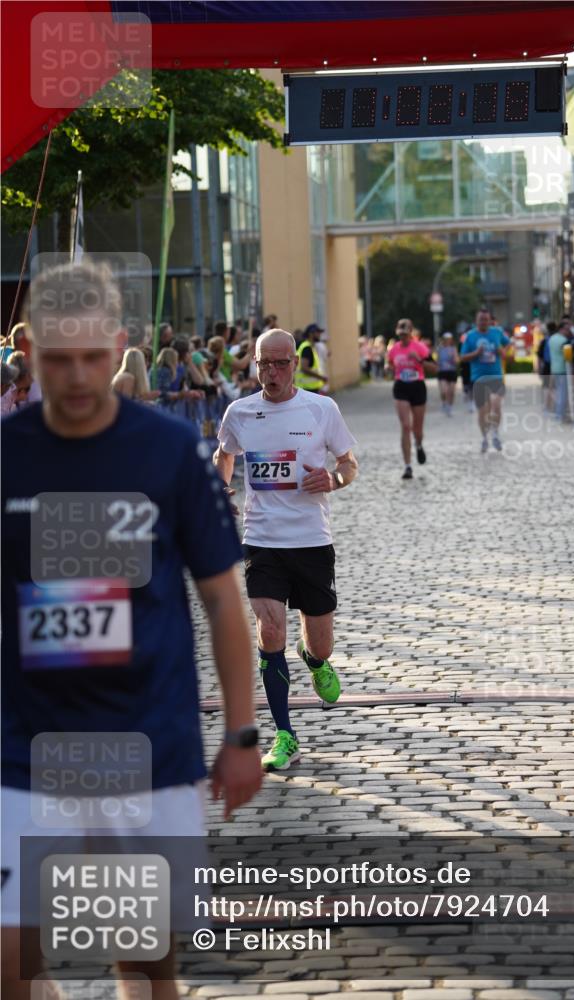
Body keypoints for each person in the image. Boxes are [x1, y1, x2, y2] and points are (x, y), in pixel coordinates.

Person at [1, 261, 262, 999]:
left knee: (139, 956)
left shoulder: (169, 451)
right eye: (58, 359)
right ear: (28, 351)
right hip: (23, 745)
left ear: (119, 347)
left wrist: (240, 736)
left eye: (94, 356)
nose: (79, 376)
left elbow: (220, 602)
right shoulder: (6, 453)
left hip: (139, 743)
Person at [214, 329, 358, 772]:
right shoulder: (240, 412)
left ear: (295, 363)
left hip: (312, 541)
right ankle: (284, 734)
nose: (271, 373)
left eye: (280, 364)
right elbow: (225, 454)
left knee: (321, 642)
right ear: (254, 364)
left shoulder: (321, 409)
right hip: (263, 539)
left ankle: (314, 659)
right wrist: (220, 489)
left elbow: (349, 464)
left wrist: (333, 479)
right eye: (264, 364)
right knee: (270, 630)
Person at [459, 308, 511, 452]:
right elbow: (462, 357)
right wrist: (476, 353)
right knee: (483, 411)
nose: (483, 322)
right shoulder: (470, 336)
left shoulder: (497, 332)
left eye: (486, 319)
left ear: (490, 320)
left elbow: (508, 343)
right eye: (481, 319)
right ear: (476, 321)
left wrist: (503, 351)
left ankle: (495, 433)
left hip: (496, 376)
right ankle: (484, 437)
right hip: (478, 378)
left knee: (496, 405)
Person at [385, 318, 432, 479]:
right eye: (400, 333)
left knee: (417, 430)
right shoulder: (393, 349)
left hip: (418, 386)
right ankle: (407, 466)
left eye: (406, 333)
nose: (403, 336)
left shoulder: (420, 347)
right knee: (406, 426)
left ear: (411, 332)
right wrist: (388, 368)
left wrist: (418, 359)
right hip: (401, 387)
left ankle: (418, 444)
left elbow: (435, 367)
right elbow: (390, 364)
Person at [295, 323, 328, 394]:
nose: (320, 334)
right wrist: (321, 377)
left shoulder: (308, 346)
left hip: (308, 388)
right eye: (318, 332)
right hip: (307, 389)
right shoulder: (307, 348)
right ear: (311, 333)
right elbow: (304, 368)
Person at [548, 320, 570, 422]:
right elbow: (568, 356)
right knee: (563, 393)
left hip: (554, 368)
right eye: (567, 329)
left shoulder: (551, 339)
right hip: (562, 369)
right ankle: (561, 414)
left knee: (558, 392)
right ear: (562, 329)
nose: (568, 331)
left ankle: (557, 413)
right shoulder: (563, 340)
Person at [436, 332, 459, 414]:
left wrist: (455, 359)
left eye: (449, 339)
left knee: (452, 391)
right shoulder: (440, 348)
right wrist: (437, 367)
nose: (447, 340)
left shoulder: (453, 348)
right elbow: (437, 360)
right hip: (442, 372)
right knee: (444, 391)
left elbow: (457, 360)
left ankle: (450, 407)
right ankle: (444, 403)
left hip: (452, 371)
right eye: (446, 339)